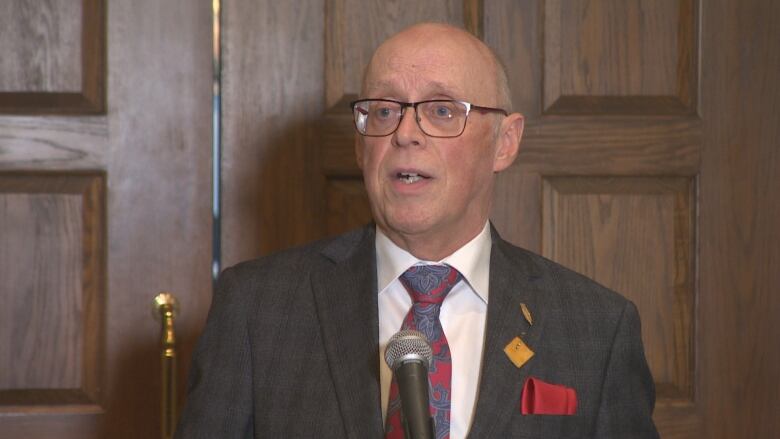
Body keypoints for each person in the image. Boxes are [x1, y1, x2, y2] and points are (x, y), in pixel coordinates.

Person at [174, 23, 659, 439]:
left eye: (442, 110)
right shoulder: (257, 308)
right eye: (384, 111)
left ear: (504, 143)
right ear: (362, 148)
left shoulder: (598, 326)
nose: (405, 133)